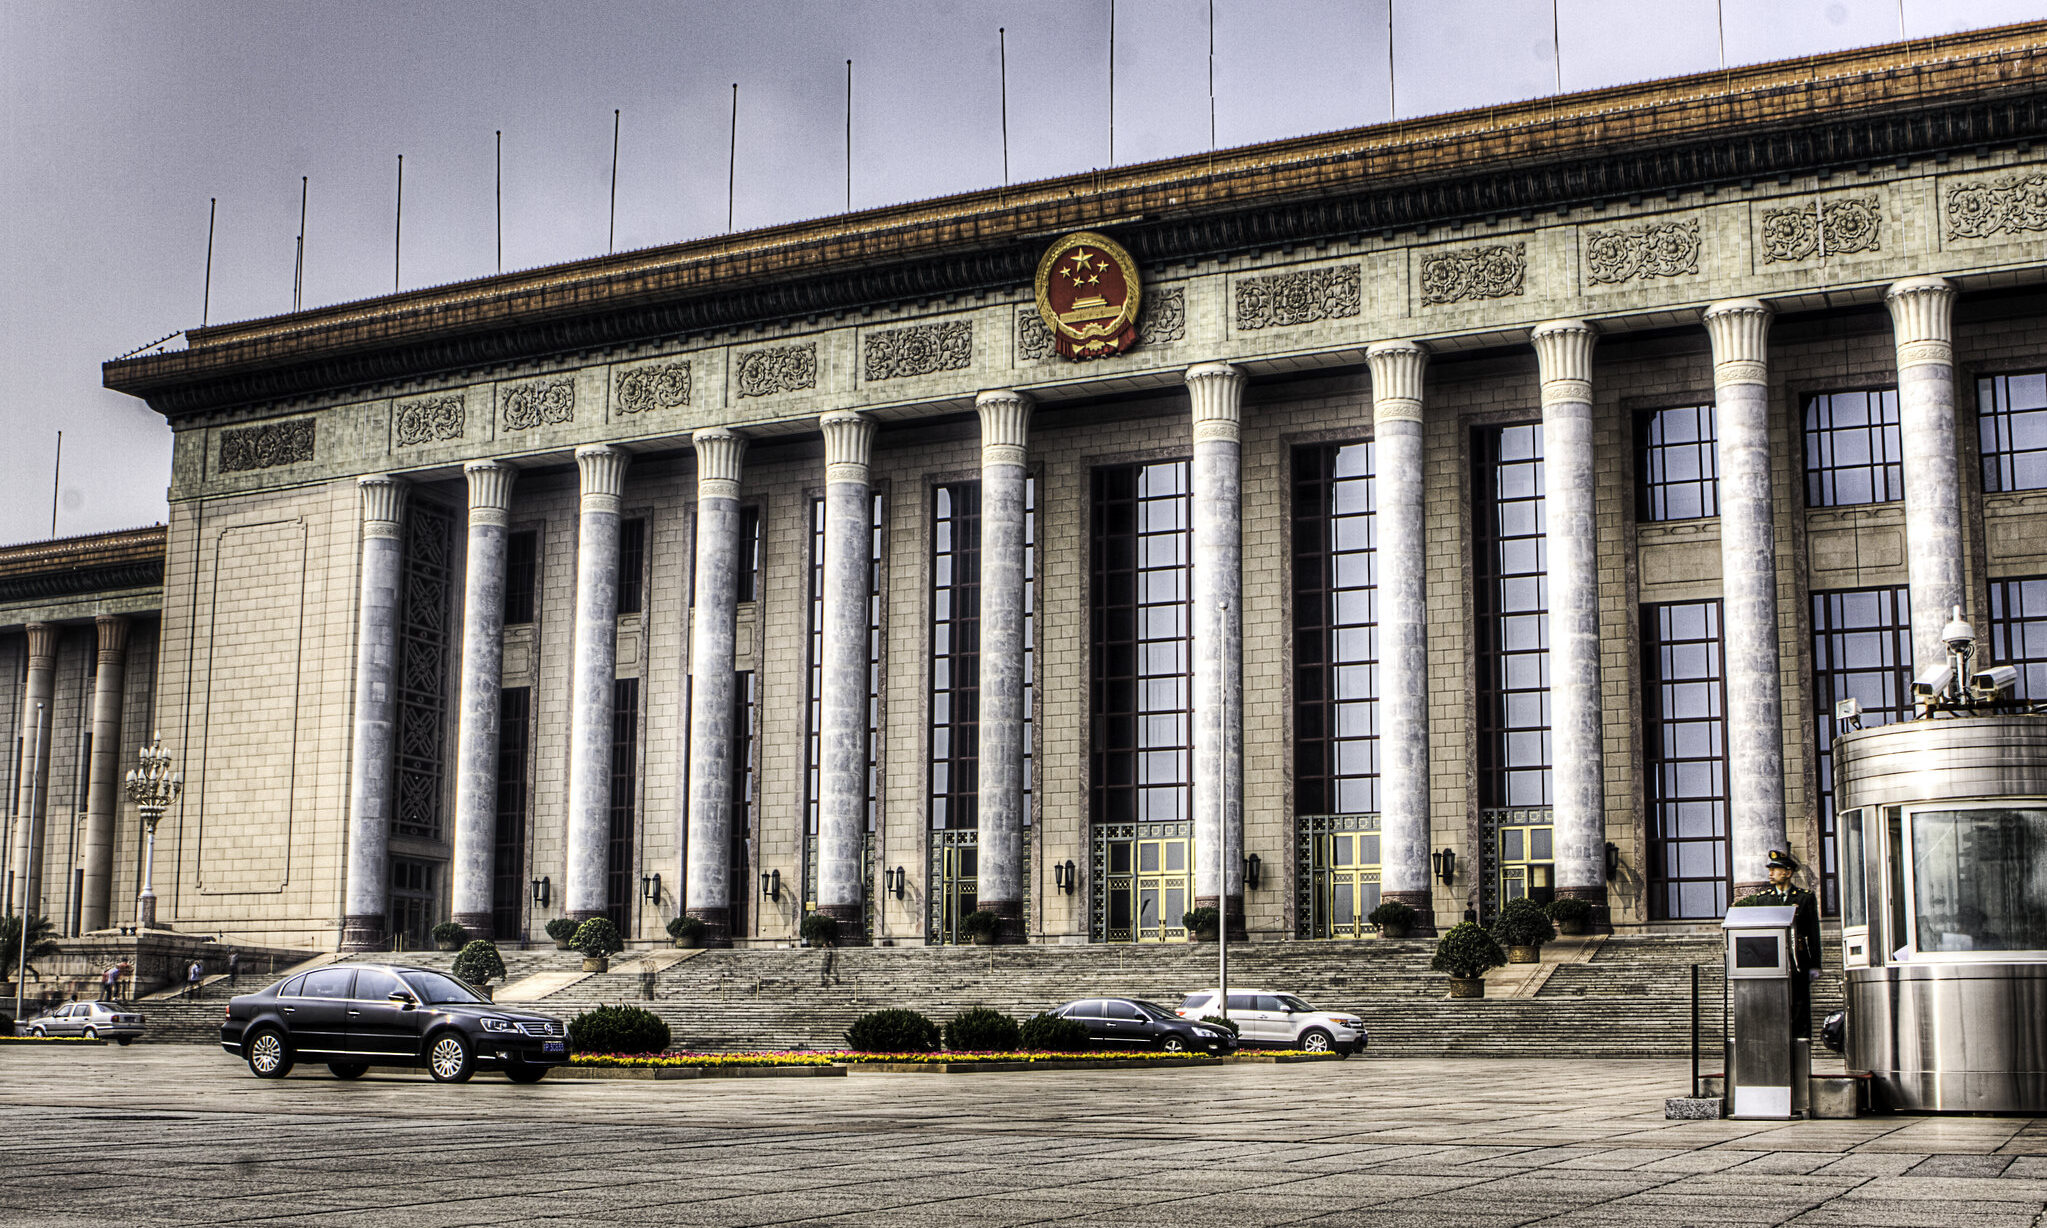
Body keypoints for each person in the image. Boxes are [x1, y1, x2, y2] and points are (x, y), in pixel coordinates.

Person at [1753, 849, 1822, 1036]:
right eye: (1770, 869)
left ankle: (1800, 1040)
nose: (1771, 873)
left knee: (1799, 1002)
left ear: (1788, 873)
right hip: (1771, 959)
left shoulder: (1804, 898)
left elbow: (1813, 934)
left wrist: (1815, 964)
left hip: (1797, 959)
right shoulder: (1763, 900)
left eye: (1775, 869)